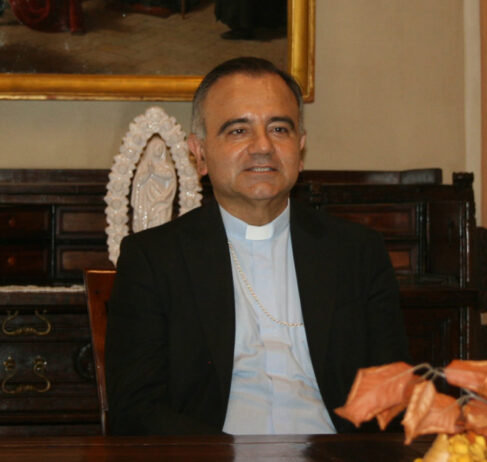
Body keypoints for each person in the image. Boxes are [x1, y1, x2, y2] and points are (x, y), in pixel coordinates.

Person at [105, 57, 409, 436]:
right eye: (238, 131)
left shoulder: (357, 252)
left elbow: (395, 395)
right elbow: (136, 410)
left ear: (300, 148)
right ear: (200, 153)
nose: (263, 146)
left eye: (279, 129)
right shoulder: (154, 259)